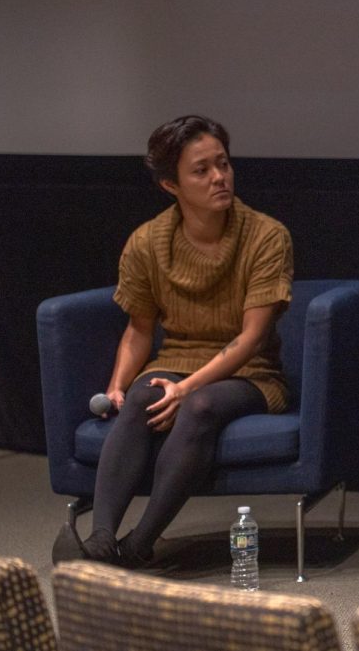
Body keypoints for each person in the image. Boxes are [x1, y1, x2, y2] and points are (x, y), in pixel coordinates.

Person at [52, 115, 294, 568]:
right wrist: (117, 385)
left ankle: (140, 543)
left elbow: (251, 337)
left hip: (251, 373)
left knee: (200, 406)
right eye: (201, 170)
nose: (219, 177)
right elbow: (139, 329)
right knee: (144, 394)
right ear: (171, 185)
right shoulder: (147, 242)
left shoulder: (266, 235)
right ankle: (102, 540)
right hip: (176, 359)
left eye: (223, 163)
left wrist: (187, 389)